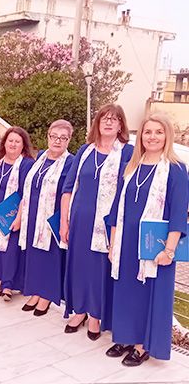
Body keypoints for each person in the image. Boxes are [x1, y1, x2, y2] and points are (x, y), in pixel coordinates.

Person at [106, 114, 188, 366]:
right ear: (140, 135)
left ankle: (142, 345)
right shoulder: (131, 166)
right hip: (127, 242)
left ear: (167, 136)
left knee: (149, 294)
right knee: (127, 291)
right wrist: (113, 243)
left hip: (156, 246)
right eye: (148, 132)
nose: (152, 137)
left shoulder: (176, 169)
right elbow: (116, 208)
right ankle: (126, 336)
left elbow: (178, 214)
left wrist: (169, 250)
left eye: (159, 132)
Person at [61, 104, 133, 341]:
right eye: (104, 118)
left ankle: (95, 315)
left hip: (107, 224)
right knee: (79, 266)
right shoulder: (85, 150)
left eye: (114, 119)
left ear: (121, 125)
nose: (109, 122)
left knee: (99, 269)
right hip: (80, 220)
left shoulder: (127, 153)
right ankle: (79, 310)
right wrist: (64, 222)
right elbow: (68, 188)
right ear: (97, 123)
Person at [18, 120, 74, 315]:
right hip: (33, 213)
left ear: (69, 140)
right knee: (34, 255)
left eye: (63, 138)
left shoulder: (71, 162)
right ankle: (36, 291)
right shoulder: (40, 156)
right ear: (48, 137)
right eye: (54, 136)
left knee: (50, 257)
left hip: (53, 217)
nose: (57, 141)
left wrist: (65, 221)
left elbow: (70, 192)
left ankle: (46, 296)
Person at [0, 126, 34, 301]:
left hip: (12, 213)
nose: (13, 144)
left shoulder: (27, 164)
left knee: (10, 249)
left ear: (23, 145)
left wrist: (19, 217)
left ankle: (8, 285)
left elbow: (27, 193)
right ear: (4, 143)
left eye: (17, 141)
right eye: (10, 140)